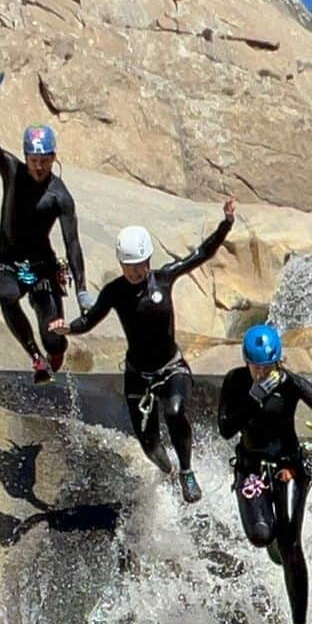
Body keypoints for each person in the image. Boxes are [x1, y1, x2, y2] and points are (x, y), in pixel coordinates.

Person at [64, 198, 236, 503]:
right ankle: (167, 470)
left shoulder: (165, 278)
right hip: (137, 375)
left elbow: (202, 253)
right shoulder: (115, 291)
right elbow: (91, 319)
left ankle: (186, 471)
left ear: (148, 261)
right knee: (149, 444)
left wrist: (226, 223)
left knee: (174, 410)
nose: (133, 273)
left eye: (138, 266)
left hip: (171, 368)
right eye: (127, 267)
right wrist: (68, 328)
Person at [0, 57, 94, 384]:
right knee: (6, 292)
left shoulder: (59, 196)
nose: (38, 167)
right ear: (25, 157)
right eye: (34, 160)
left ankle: (51, 352)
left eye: (44, 160)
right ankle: (35, 359)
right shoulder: (11, 171)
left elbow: (73, 242)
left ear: (54, 157)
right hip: (10, 262)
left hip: (40, 267)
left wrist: (81, 291)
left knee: (54, 335)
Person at [218, 324, 312, 624]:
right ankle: (270, 539)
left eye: (267, 366)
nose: (261, 372)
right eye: (256, 366)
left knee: (290, 541)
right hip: (252, 468)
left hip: (288, 466)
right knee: (262, 535)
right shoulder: (235, 382)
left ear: (278, 362)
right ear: (246, 361)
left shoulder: (289, 383)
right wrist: (253, 398)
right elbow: (225, 428)